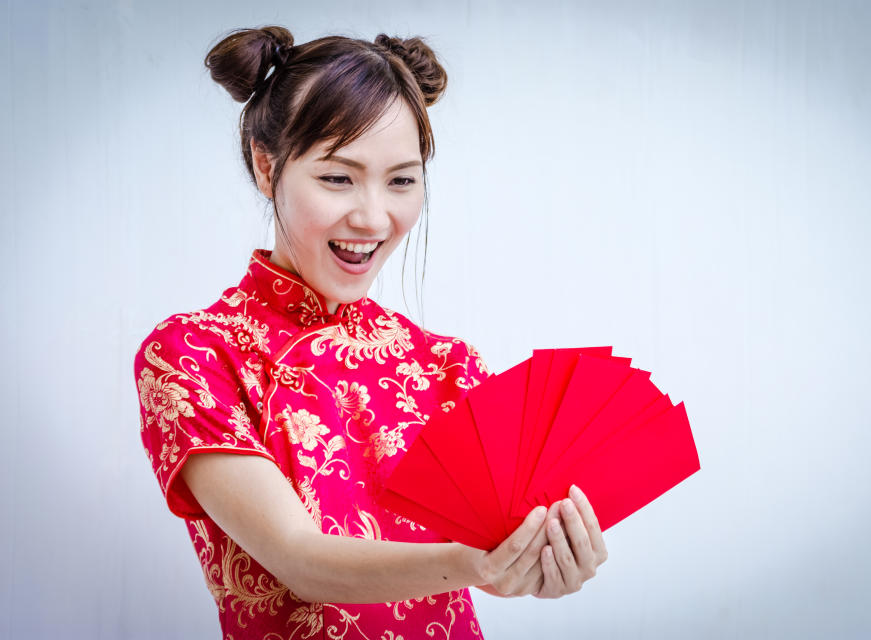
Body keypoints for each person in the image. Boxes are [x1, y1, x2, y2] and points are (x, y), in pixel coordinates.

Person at [133, 25, 608, 639]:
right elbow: (299, 560)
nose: (373, 216)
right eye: (338, 177)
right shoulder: (193, 355)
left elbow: (520, 531)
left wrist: (556, 550)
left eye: (402, 180)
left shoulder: (449, 366)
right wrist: (474, 565)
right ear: (265, 165)